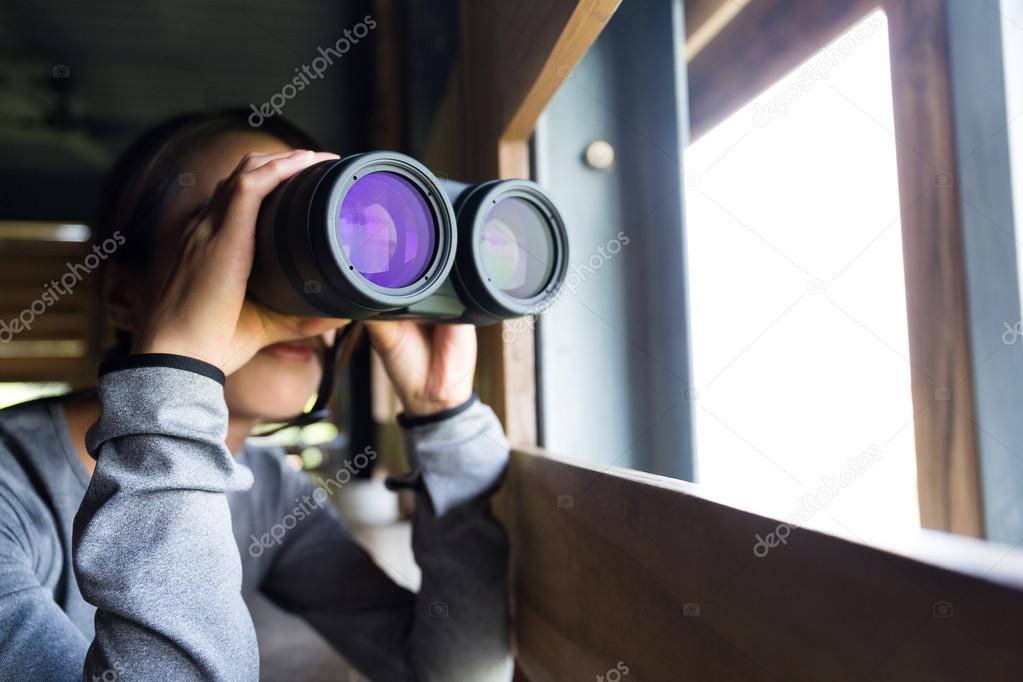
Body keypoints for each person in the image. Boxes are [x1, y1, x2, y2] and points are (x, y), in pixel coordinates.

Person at [0, 110, 512, 681]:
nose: (294, 285)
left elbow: (453, 672)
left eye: (310, 233)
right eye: (230, 229)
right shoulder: (14, 493)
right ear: (124, 296)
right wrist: (173, 373)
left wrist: (444, 415)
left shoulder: (267, 490)